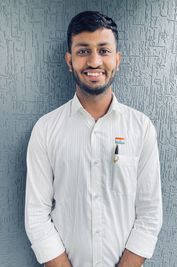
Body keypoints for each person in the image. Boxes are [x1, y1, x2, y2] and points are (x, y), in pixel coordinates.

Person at [25, 11, 163, 267]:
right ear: (69, 60)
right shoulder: (45, 129)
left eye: (104, 50)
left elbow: (150, 214)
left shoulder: (141, 128)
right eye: (83, 51)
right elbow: (36, 215)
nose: (94, 61)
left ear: (117, 59)